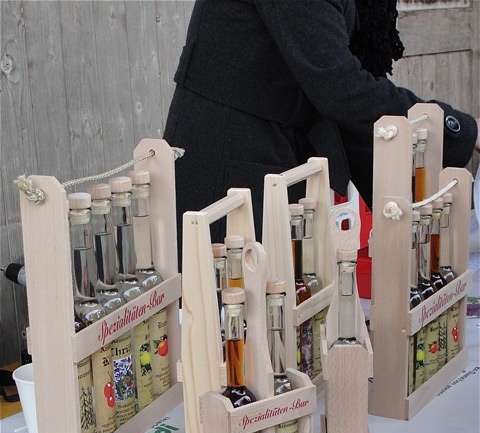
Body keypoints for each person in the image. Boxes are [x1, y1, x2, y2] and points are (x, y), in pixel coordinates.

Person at [164, 0, 480, 265]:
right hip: (227, 159)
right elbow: (339, 86)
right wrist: (459, 130)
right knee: (231, 302)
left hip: (274, 151)